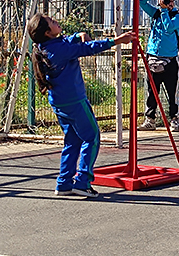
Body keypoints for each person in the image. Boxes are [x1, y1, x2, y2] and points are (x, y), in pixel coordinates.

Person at [28, 13, 135, 198]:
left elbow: (69, 42)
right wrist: (117, 40)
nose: (56, 21)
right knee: (92, 137)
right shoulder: (60, 50)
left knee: (72, 140)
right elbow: (88, 49)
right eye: (52, 22)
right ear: (47, 32)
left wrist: (78, 35)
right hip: (75, 101)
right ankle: (83, 181)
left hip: (59, 102)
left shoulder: (46, 47)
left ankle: (64, 183)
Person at [138, 0, 179, 133]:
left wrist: (164, 11)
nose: (167, 3)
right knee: (152, 91)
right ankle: (150, 119)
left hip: (170, 60)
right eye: (165, 0)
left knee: (172, 92)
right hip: (153, 58)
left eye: (170, 0)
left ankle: (174, 119)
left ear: (173, 2)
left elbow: (169, 27)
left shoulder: (178, 17)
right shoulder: (156, 14)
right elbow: (140, 1)